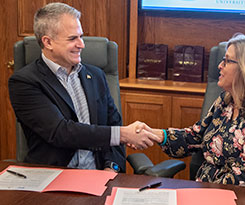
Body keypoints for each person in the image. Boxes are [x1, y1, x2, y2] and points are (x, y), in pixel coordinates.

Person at [8, 2, 159, 173]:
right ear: (48, 42)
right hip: (53, 179)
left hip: (98, 176)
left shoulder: (96, 76)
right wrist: (123, 134)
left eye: (81, 36)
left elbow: (113, 124)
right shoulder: (25, 82)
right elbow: (60, 132)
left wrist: (112, 167)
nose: (82, 44)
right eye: (73, 38)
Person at [136, 34, 245, 189]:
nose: (220, 65)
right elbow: (194, 138)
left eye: (227, 61)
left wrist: (202, 192)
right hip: (206, 191)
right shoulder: (224, 102)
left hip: (243, 199)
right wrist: (155, 134)